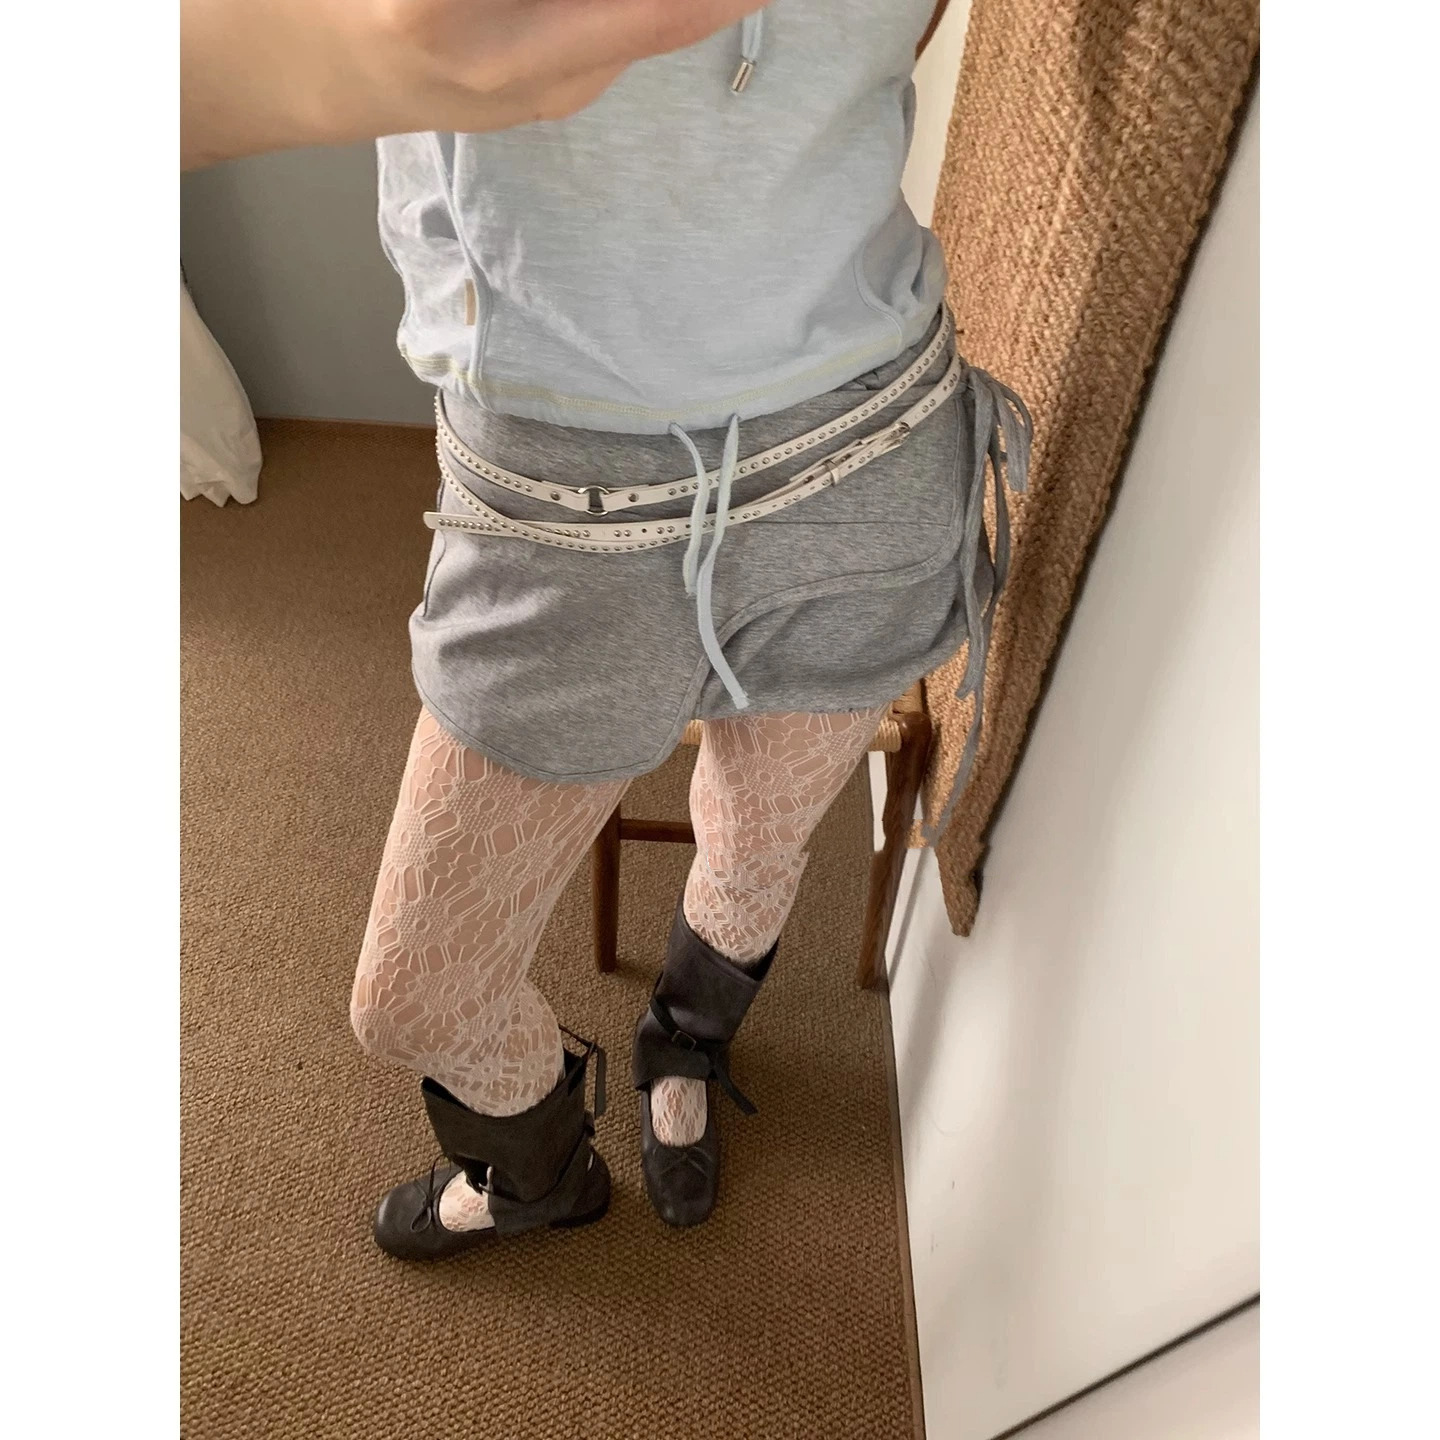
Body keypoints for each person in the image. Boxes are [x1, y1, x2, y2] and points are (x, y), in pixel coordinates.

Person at [184, 0, 1031, 1258]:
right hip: (559, 499)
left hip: (870, 452)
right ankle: (540, 1173)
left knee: (757, 842)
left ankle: (684, 1042)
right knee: (415, 996)